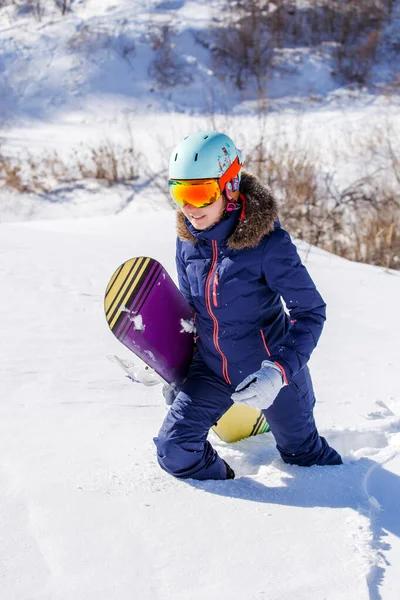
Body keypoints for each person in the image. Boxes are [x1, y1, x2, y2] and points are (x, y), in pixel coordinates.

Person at [154, 131, 342, 480]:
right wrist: (176, 368)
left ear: (230, 186)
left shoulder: (269, 244)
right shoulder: (187, 242)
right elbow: (191, 315)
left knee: (306, 458)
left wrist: (278, 372)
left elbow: (310, 312)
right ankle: (233, 498)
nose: (189, 208)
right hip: (211, 370)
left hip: (272, 372)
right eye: (180, 193)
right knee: (174, 450)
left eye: (199, 193)